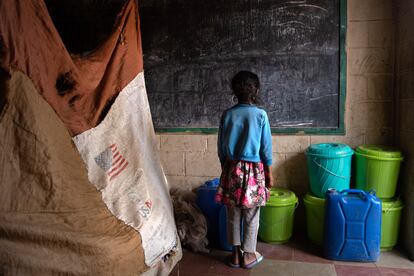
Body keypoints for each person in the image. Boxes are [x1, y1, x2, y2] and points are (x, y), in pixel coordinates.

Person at [215, 70, 273, 269]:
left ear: (234, 91)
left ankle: (235, 254)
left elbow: (221, 147)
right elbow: (266, 148)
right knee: (251, 213)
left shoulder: (228, 114)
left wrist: (226, 167)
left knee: (233, 213)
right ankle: (249, 254)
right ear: (256, 91)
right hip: (255, 171)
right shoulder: (261, 115)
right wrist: (269, 174)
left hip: (232, 168)